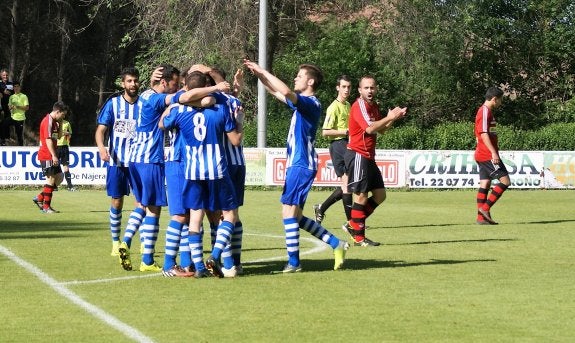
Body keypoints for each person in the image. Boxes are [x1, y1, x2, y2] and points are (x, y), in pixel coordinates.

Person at [244, 59, 349, 272]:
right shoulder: (302, 103)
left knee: (288, 214)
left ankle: (294, 262)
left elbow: (284, 89)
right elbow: (276, 92)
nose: (295, 78)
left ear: (310, 81)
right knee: (296, 217)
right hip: (298, 164)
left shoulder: (311, 103)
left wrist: (264, 70)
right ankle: (336, 244)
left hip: (301, 165)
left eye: (299, 76)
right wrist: (260, 76)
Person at [160, 70, 239, 278]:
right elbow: (235, 140)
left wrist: (179, 105)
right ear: (205, 85)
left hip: (192, 171)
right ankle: (214, 255)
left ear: (186, 87)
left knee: (194, 217)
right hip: (217, 170)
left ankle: (199, 268)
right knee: (229, 215)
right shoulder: (220, 109)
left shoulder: (179, 111)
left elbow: (162, 123)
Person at [343, 76, 407, 246]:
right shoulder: (359, 106)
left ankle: (352, 224)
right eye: (366, 88)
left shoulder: (373, 106)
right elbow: (370, 128)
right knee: (361, 196)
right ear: (360, 90)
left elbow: (382, 130)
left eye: (372, 87)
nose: (370, 91)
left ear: (376, 89)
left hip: (368, 156)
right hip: (358, 154)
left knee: (380, 195)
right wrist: (390, 116)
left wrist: (393, 118)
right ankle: (359, 237)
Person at [95, 67, 146, 257]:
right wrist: (101, 147)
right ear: (123, 83)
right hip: (117, 161)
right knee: (117, 201)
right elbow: (101, 130)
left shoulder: (144, 105)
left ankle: (143, 243)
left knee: (142, 202)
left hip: (139, 161)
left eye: (136, 81)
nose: (133, 84)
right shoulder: (113, 104)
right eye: (130, 81)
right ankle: (116, 242)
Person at [313, 75, 352, 226]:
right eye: (343, 87)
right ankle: (351, 222)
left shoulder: (348, 105)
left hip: (347, 144)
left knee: (347, 184)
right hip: (338, 146)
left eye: (348, 87)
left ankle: (321, 209)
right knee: (347, 183)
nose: (346, 89)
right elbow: (325, 132)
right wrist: (345, 132)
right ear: (338, 88)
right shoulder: (333, 107)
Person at [474, 86, 509, 225]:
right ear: (494, 99)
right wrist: (493, 152)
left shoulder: (485, 112)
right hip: (487, 154)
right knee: (505, 181)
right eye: (500, 100)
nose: (501, 103)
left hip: (482, 153)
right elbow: (483, 133)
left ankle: (481, 219)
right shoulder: (484, 111)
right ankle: (485, 209)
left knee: (485, 183)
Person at [32, 101, 69, 213]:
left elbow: (58, 136)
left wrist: (61, 122)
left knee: (59, 177)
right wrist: (54, 155)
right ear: (57, 112)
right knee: (51, 179)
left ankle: (39, 198)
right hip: (47, 154)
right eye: (63, 115)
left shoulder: (54, 122)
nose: (63, 117)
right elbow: (48, 140)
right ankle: (46, 207)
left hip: (51, 154)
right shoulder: (48, 121)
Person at [56, 117, 76, 191]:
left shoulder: (67, 123)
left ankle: (70, 186)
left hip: (65, 147)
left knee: (66, 167)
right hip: (56, 147)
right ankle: (54, 185)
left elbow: (70, 134)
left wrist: (67, 134)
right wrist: (59, 134)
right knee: (55, 166)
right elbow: (52, 135)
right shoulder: (54, 123)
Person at [7, 81, 29, 146]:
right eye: (15, 87)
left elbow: (27, 108)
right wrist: (11, 107)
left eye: (17, 86)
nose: (16, 88)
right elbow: (9, 107)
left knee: (19, 135)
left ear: (20, 87)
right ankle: (4, 140)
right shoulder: (11, 97)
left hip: (20, 118)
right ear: (13, 88)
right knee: (4, 124)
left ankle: (21, 147)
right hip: (12, 117)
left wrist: (17, 106)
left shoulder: (24, 96)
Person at [0, 68, 14, 146]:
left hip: (9, 107)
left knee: (6, 123)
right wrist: (2, 91)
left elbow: (14, 93)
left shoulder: (11, 84)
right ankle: (2, 140)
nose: (5, 76)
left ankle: (5, 139)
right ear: (1, 76)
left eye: (6, 75)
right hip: (1, 107)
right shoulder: (0, 83)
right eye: (3, 75)